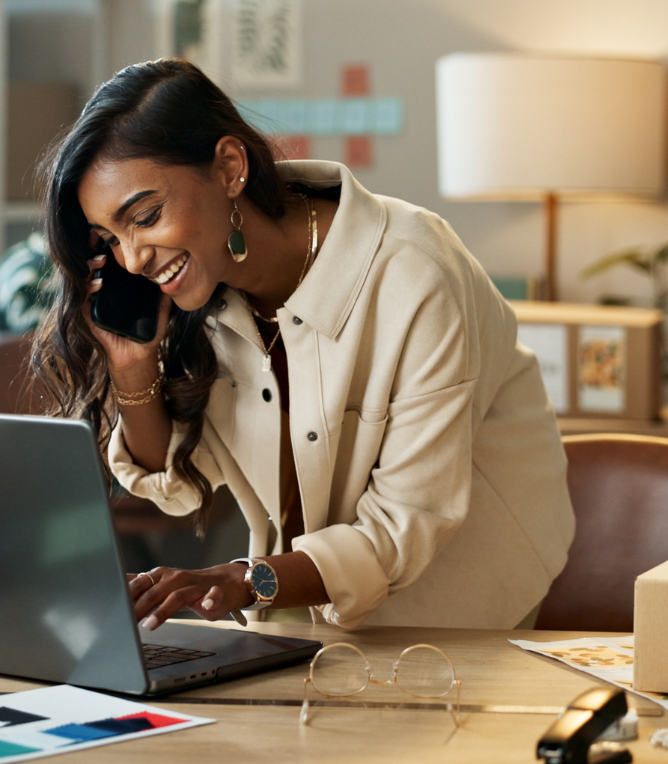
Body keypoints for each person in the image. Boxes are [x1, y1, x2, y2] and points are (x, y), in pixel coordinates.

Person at [32, 58, 574, 631]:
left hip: (461, 606)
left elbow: (404, 526)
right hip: (300, 610)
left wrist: (240, 581)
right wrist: (132, 367)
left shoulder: (413, 271)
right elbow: (177, 489)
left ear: (229, 168)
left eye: (146, 216)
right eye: (111, 239)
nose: (134, 258)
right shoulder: (204, 293)